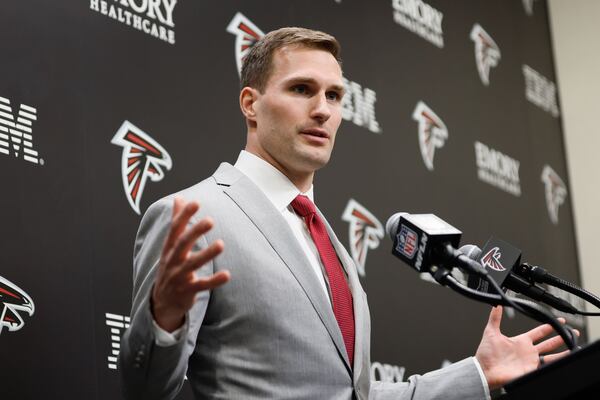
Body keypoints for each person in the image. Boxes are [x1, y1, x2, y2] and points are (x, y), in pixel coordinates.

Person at [118, 27, 573, 400]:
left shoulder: (327, 241)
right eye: (301, 89)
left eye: (335, 96)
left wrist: (477, 372)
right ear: (250, 104)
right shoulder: (194, 215)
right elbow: (144, 390)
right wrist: (164, 319)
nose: (323, 110)